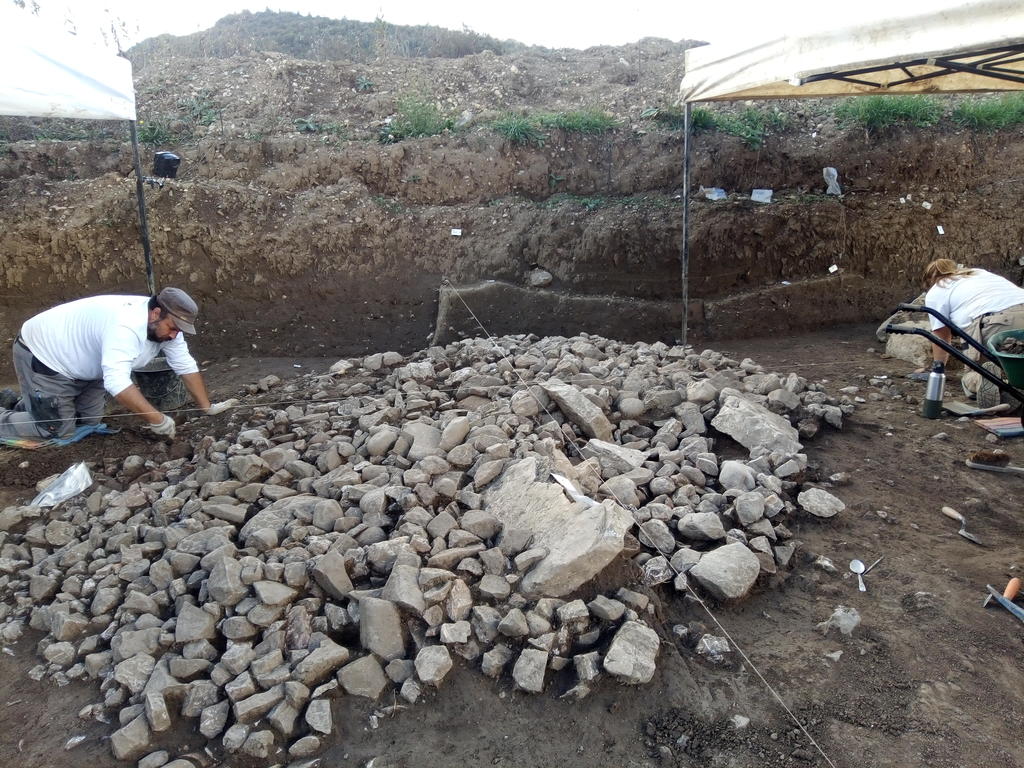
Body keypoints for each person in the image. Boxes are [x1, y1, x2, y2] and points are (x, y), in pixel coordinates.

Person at [0, 287, 216, 440]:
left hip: (86, 368)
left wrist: (208, 408)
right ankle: (24, 411)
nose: (174, 335)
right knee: (55, 429)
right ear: (156, 313)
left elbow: (185, 365)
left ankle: (20, 402)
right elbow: (117, 383)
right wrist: (157, 419)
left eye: (179, 330)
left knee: (89, 422)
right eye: (173, 327)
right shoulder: (125, 327)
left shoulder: (165, 330)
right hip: (46, 356)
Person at [922, 259, 1024, 407]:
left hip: (996, 322)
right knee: (1017, 365)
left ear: (930, 280)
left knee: (975, 373)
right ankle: (1015, 386)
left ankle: (986, 381)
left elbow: (941, 337)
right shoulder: (979, 273)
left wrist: (938, 369)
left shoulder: (937, 290)